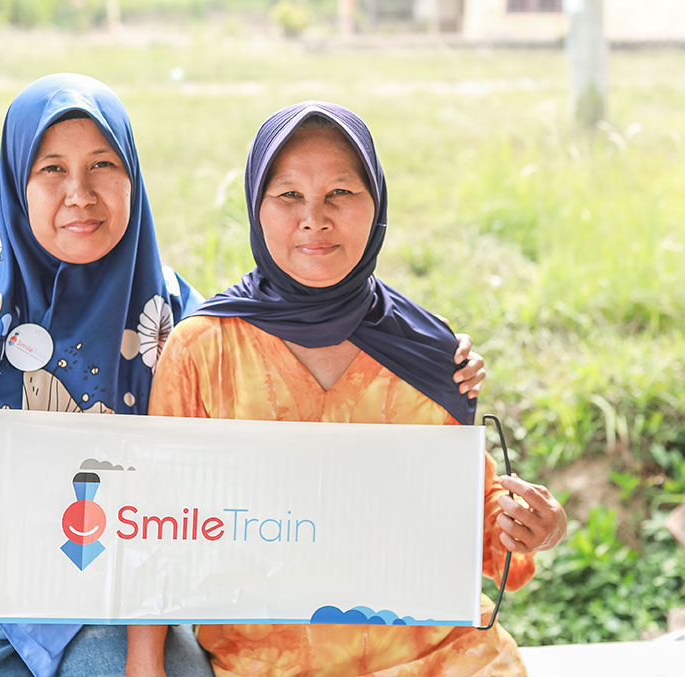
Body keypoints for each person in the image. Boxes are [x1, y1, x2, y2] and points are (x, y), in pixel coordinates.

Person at [0, 75, 487, 677]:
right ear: (15, 179)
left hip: (83, 609)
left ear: (134, 180)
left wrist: (426, 355)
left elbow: (278, 381)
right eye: (51, 169)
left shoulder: (167, 312)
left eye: (103, 167)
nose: (79, 194)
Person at [139, 102, 567, 676]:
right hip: (270, 663)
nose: (314, 218)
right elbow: (157, 522)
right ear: (255, 207)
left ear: (377, 205)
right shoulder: (203, 350)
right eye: (288, 196)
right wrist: (144, 666)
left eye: (340, 192)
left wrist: (531, 524)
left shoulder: (427, 351)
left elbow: (474, 514)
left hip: (442, 655)